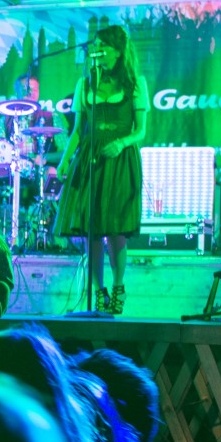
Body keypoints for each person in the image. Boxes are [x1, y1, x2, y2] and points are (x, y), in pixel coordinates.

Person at [56, 23, 146, 314]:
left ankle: (119, 287)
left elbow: (141, 130)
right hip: (90, 158)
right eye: (95, 45)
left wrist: (120, 143)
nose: (97, 50)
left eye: (103, 46)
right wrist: (64, 160)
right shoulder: (85, 84)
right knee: (91, 229)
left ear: (118, 51)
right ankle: (98, 291)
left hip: (119, 159)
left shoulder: (135, 83)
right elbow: (77, 131)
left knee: (116, 227)